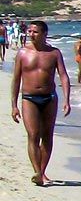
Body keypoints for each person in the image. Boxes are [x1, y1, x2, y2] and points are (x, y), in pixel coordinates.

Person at [10, 20, 71, 186]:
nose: (31, 34)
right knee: (33, 135)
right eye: (29, 31)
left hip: (49, 98)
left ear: (44, 34)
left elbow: (64, 76)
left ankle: (42, 172)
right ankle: (37, 171)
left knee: (47, 136)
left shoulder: (54, 53)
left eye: (35, 32)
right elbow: (16, 80)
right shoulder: (22, 53)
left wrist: (67, 99)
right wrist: (14, 105)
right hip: (29, 98)